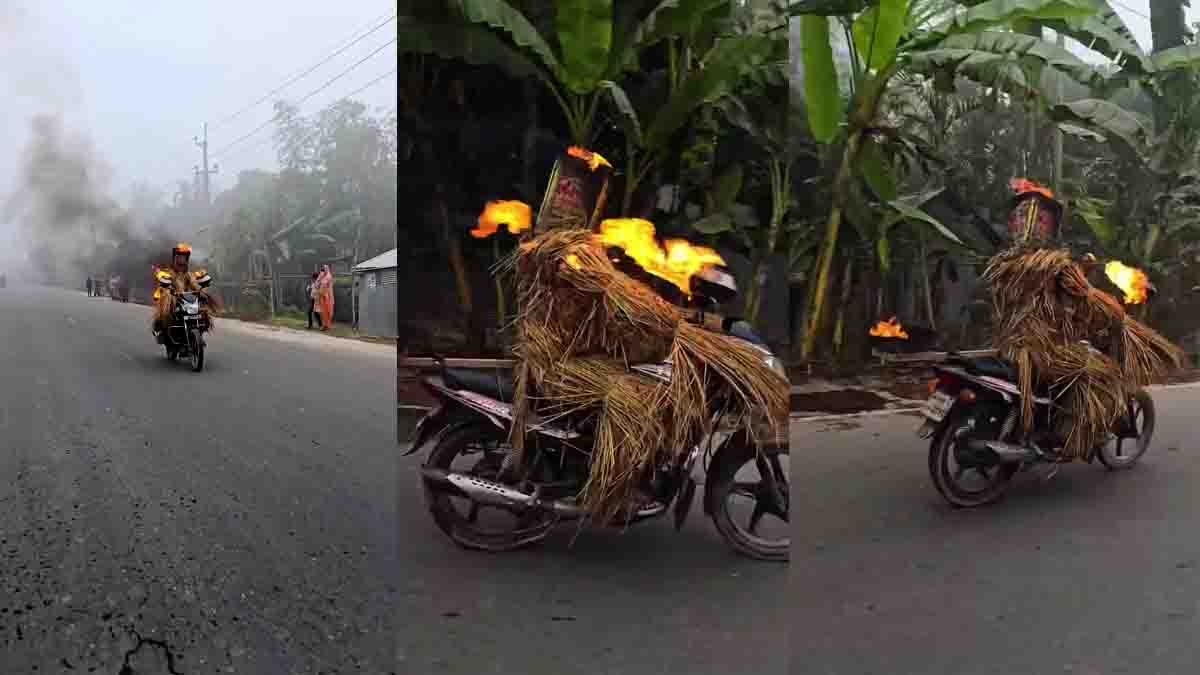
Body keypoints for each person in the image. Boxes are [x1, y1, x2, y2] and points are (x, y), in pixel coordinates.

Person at [315, 264, 334, 332]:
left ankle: (327, 325)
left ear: (327, 269)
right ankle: (324, 325)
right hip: (322, 296)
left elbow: (325, 285)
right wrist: (320, 277)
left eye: (325, 268)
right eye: (323, 269)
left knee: (328, 311)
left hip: (327, 297)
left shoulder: (328, 276)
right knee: (323, 312)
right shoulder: (322, 276)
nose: (323, 270)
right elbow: (317, 285)